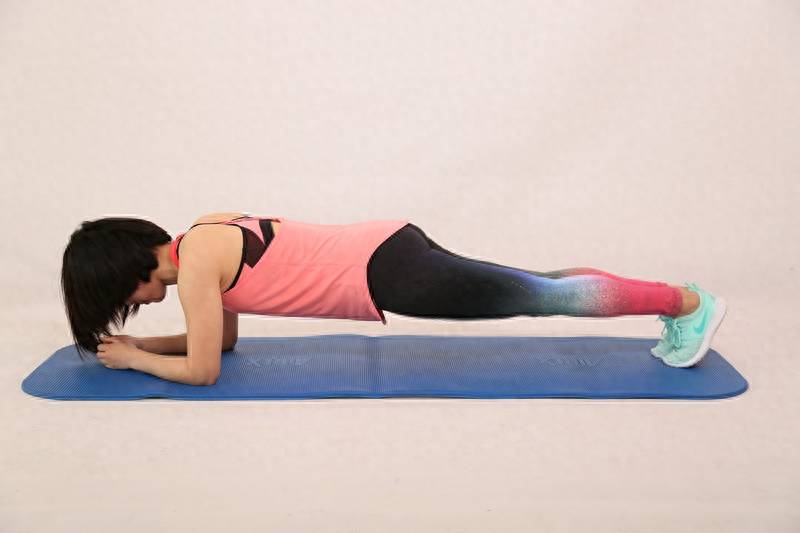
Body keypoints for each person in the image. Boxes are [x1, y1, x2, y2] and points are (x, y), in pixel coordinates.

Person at [60, 213, 727, 385]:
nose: (137, 306)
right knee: (538, 285)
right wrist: (145, 344)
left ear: (129, 272)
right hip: (388, 248)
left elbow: (205, 369)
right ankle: (672, 301)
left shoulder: (197, 269)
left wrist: (136, 359)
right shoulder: (202, 235)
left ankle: (686, 303)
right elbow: (225, 342)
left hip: (387, 274)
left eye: (124, 298)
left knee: (540, 295)